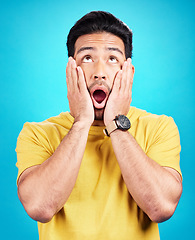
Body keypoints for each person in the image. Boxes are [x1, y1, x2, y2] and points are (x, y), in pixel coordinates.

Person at [16, 11, 182, 240]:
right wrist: (82, 121)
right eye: (87, 58)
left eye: (113, 59)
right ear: (70, 71)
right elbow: (39, 208)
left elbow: (162, 208)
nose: (100, 73)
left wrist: (116, 123)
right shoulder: (37, 133)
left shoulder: (159, 127)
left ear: (128, 73)